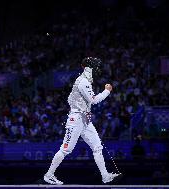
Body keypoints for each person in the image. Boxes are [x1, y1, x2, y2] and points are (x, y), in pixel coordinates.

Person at [44, 57, 121, 185]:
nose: (97, 70)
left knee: (97, 147)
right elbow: (94, 100)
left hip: (85, 119)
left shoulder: (84, 81)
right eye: (96, 67)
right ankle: (49, 175)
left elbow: (72, 99)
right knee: (65, 150)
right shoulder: (83, 82)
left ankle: (105, 176)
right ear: (90, 68)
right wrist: (107, 91)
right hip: (76, 120)